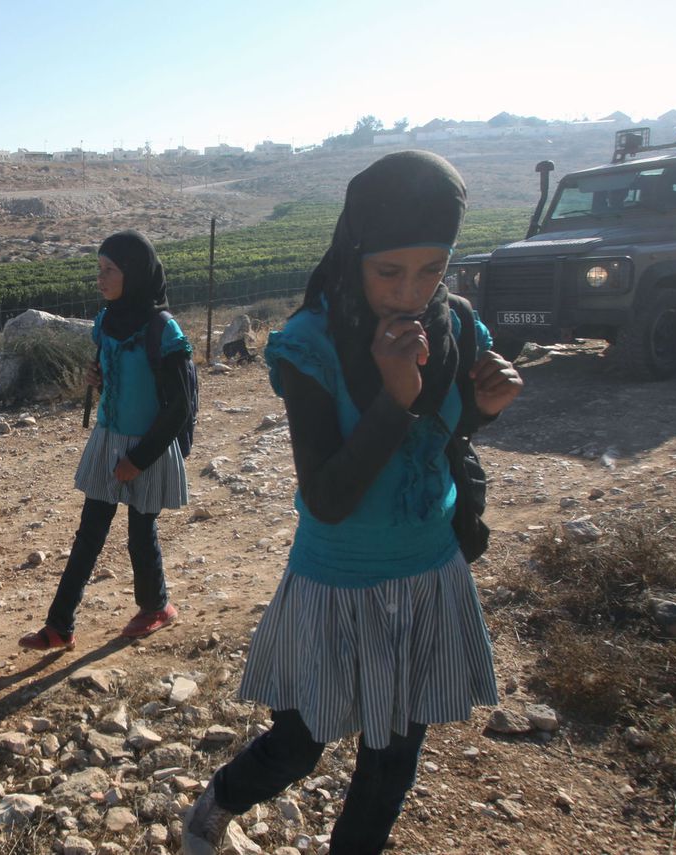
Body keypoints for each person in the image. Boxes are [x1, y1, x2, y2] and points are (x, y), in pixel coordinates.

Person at [180, 151, 525, 855]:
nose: (410, 292)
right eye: (388, 271)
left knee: (392, 758)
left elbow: (442, 438)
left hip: (428, 572)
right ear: (355, 252)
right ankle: (214, 806)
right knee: (302, 740)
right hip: (338, 581)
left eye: (432, 269)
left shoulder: (456, 325)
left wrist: (484, 408)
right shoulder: (313, 344)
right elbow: (329, 497)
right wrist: (395, 394)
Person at [19, 230, 193, 651]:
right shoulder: (107, 320)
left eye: (109, 270)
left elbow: (179, 407)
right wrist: (97, 380)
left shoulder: (163, 330)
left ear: (133, 273)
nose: (100, 278)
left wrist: (139, 459)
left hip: (145, 447)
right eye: (99, 269)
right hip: (109, 438)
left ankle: (156, 607)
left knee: (140, 530)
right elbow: (119, 382)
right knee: (89, 532)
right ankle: (60, 625)